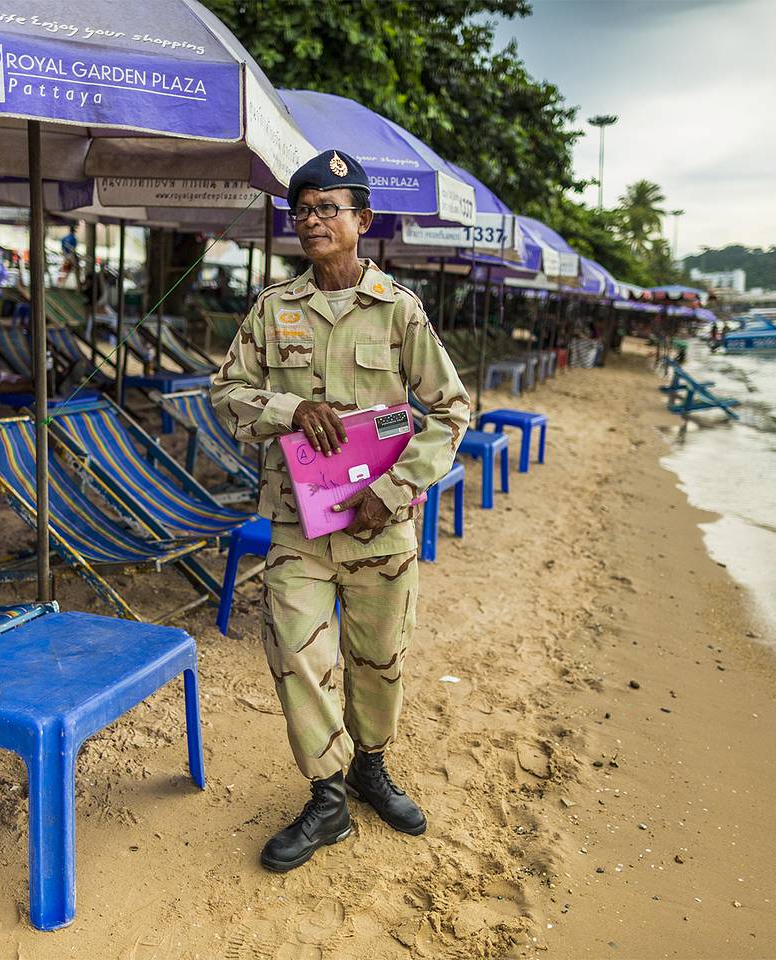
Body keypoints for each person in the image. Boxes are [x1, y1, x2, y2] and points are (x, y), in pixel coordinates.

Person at [210, 150, 470, 872]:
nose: (312, 220)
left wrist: (394, 490)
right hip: (297, 524)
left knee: (379, 659)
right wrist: (290, 409)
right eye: (302, 210)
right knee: (297, 655)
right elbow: (225, 392)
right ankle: (327, 798)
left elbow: (451, 410)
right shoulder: (274, 309)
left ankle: (370, 768)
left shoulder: (399, 309)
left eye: (329, 208)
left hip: (380, 524)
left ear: (363, 220)